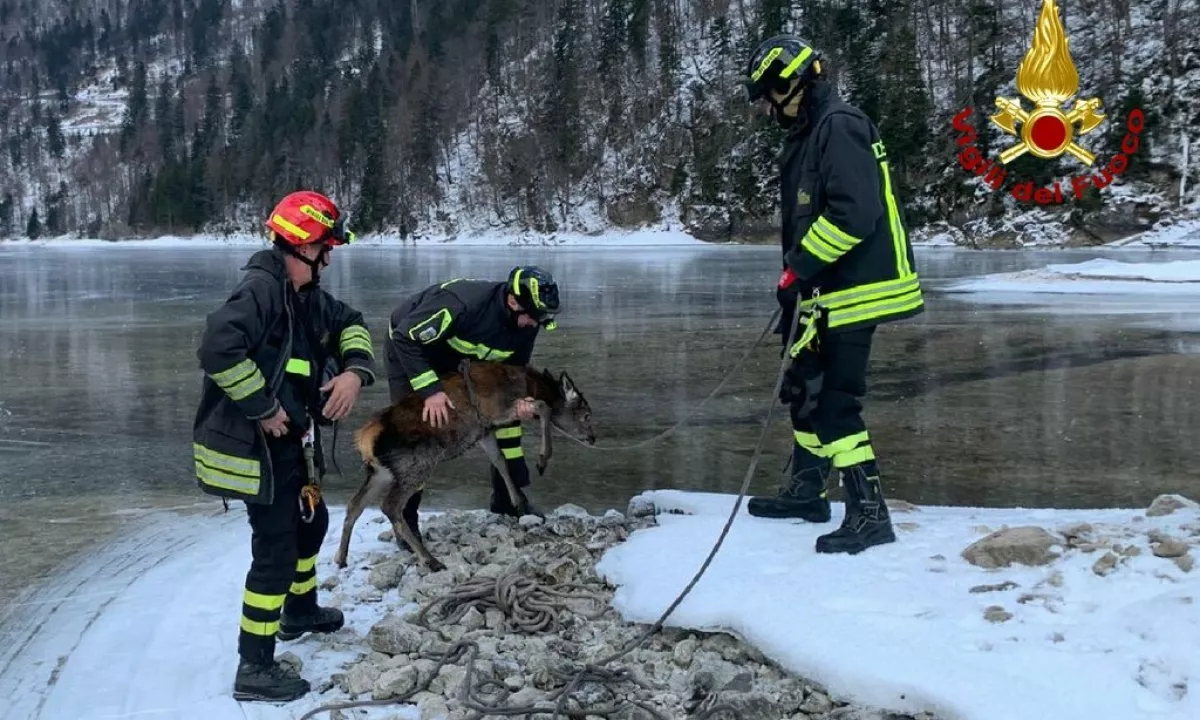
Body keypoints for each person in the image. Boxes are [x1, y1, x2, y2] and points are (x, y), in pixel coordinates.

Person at [741, 35, 924, 555]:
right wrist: (799, 279)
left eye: (769, 94)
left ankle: (869, 513)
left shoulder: (839, 127)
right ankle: (806, 491)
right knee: (803, 389)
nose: (767, 106)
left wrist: (799, 269)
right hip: (823, 289)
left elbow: (853, 214)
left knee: (836, 405)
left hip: (855, 291)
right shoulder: (809, 132)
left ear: (790, 81)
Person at [192, 190, 377, 702]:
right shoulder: (262, 290)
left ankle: (298, 611)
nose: (330, 256)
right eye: (325, 247)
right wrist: (264, 407)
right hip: (253, 449)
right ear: (300, 246)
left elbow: (352, 323)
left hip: (289, 445)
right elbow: (216, 347)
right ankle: (254, 667)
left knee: (310, 523)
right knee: (274, 551)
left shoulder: (306, 297)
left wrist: (355, 375)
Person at [383, 266, 560, 541]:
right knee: (418, 439)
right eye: (531, 318)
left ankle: (507, 500)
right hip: (410, 350)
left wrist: (520, 400)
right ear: (513, 302)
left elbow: (513, 370)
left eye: (540, 320)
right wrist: (431, 391)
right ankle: (405, 521)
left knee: (506, 419)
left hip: (457, 358)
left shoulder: (527, 320)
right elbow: (406, 338)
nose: (533, 325)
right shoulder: (462, 305)